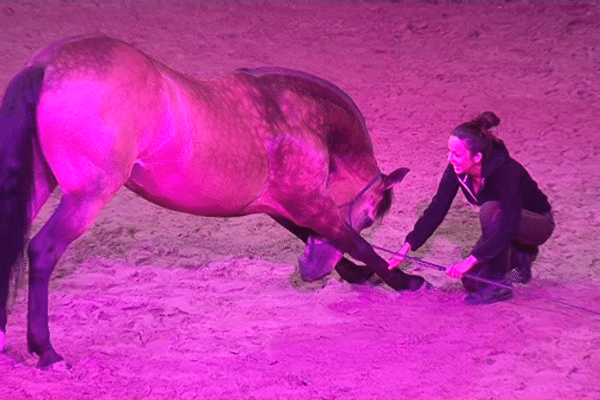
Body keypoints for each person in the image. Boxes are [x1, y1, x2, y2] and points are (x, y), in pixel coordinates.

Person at [388, 111, 555, 305]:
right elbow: (437, 207)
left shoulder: (507, 173)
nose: (450, 158)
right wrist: (406, 247)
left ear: (477, 157)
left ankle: (498, 286)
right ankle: (520, 258)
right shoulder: (456, 170)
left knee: (491, 211)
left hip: (536, 224)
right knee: (472, 281)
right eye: (449, 152)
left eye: (457, 154)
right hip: (503, 223)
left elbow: (508, 227)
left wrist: (468, 261)